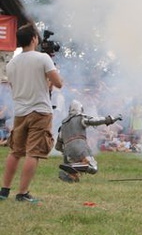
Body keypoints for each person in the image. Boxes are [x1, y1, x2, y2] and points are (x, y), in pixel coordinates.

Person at [0, 23, 64, 202]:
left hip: (20, 112)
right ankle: (22, 193)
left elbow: (13, 87)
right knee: (33, 153)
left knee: (15, 152)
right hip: (40, 111)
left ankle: (4, 190)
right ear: (34, 39)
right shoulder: (43, 58)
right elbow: (58, 83)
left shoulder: (12, 63)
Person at [55, 100, 122, 182]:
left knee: (77, 169)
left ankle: (71, 176)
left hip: (67, 152)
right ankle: (72, 166)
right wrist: (111, 119)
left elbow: (58, 146)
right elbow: (96, 121)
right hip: (80, 146)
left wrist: (64, 151)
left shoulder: (63, 125)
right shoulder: (81, 118)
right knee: (93, 167)